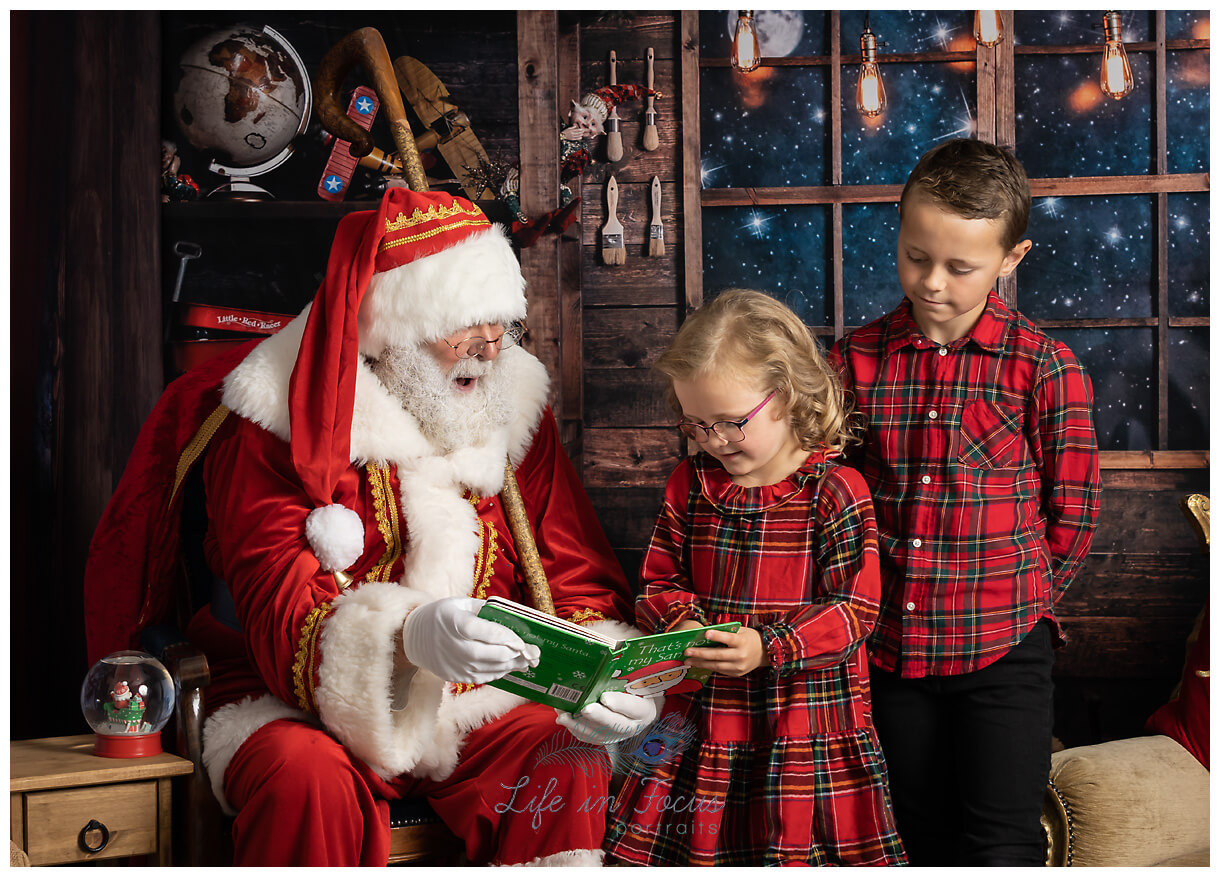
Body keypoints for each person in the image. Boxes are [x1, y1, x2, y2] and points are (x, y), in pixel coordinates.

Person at [84, 187, 661, 866]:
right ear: (393, 331)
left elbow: (572, 569)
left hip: (475, 704)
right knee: (304, 779)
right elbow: (275, 603)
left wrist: (595, 681)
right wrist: (408, 637)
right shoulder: (271, 422)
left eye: (500, 320)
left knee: (568, 758)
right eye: (466, 324)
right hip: (295, 702)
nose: (490, 344)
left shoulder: (509, 402)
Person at [829, 138, 1102, 866]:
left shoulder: (1045, 366)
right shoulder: (852, 360)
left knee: (1001, 840)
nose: (933, 282)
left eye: (960, 266)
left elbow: (1072, 510)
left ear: (1011, 259)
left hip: (1005, 647)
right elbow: (831, 495)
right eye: (916, 255)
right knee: (914, 830)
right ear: (899, 227)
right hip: (889, 648)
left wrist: (1025, 599)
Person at [604, 289, 906, 866]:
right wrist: (681, 624)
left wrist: (769, 646)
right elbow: (659, 581)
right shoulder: (690, 484)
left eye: (729, 423)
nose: (714, 441)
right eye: (695, 426)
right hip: (705, 714)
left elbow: (855, 610)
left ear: (786, 396)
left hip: (802, 721)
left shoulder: (833, 490)